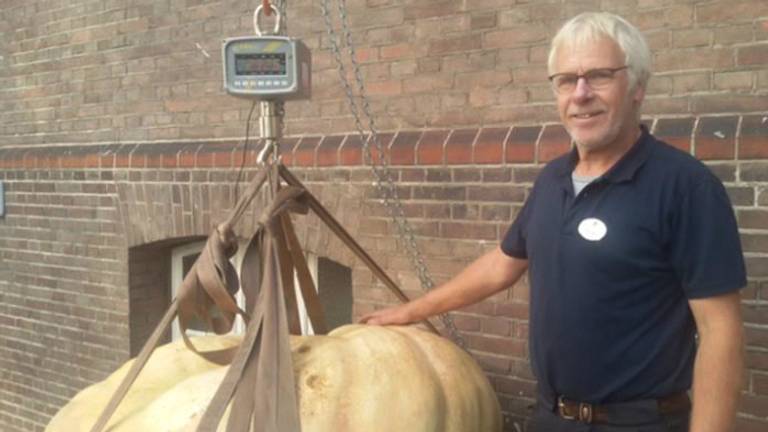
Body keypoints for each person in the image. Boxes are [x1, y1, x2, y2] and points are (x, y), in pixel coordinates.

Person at [361, 12, 746, 432]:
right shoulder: (552, 180)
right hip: (551, 418)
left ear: (637, 86)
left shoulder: (686, 187)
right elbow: (502, 264)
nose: (580, 94)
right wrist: (410, 311)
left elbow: (719, 330)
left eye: (599, 76)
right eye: (566, 80)